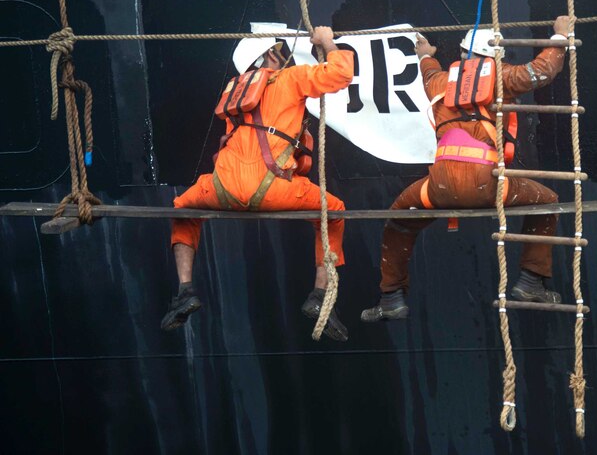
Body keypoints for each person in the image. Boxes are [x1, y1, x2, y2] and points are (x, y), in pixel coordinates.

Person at [361, 17, 571, 322]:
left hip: (438, 187)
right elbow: (540, 71)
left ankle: (391, 297)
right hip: (489, 184)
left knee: (398, 221)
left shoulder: (439, 82)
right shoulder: (503, 78)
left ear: (463, 54)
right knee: (547, 201)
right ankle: (531, 281)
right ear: (495, 55)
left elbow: (427, 70)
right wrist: (560, 37)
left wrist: (424, 52)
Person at [162, 26, 353, 341]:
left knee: (182, 207)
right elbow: (340, 73)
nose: (282, 55)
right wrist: (326, 41)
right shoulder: (291, 79)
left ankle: (184, 289)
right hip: (273, 189)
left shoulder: (233, 91)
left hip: (222, 188)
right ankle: (320, 295)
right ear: (270, 56)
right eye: (278, 51)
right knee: (332, 210)